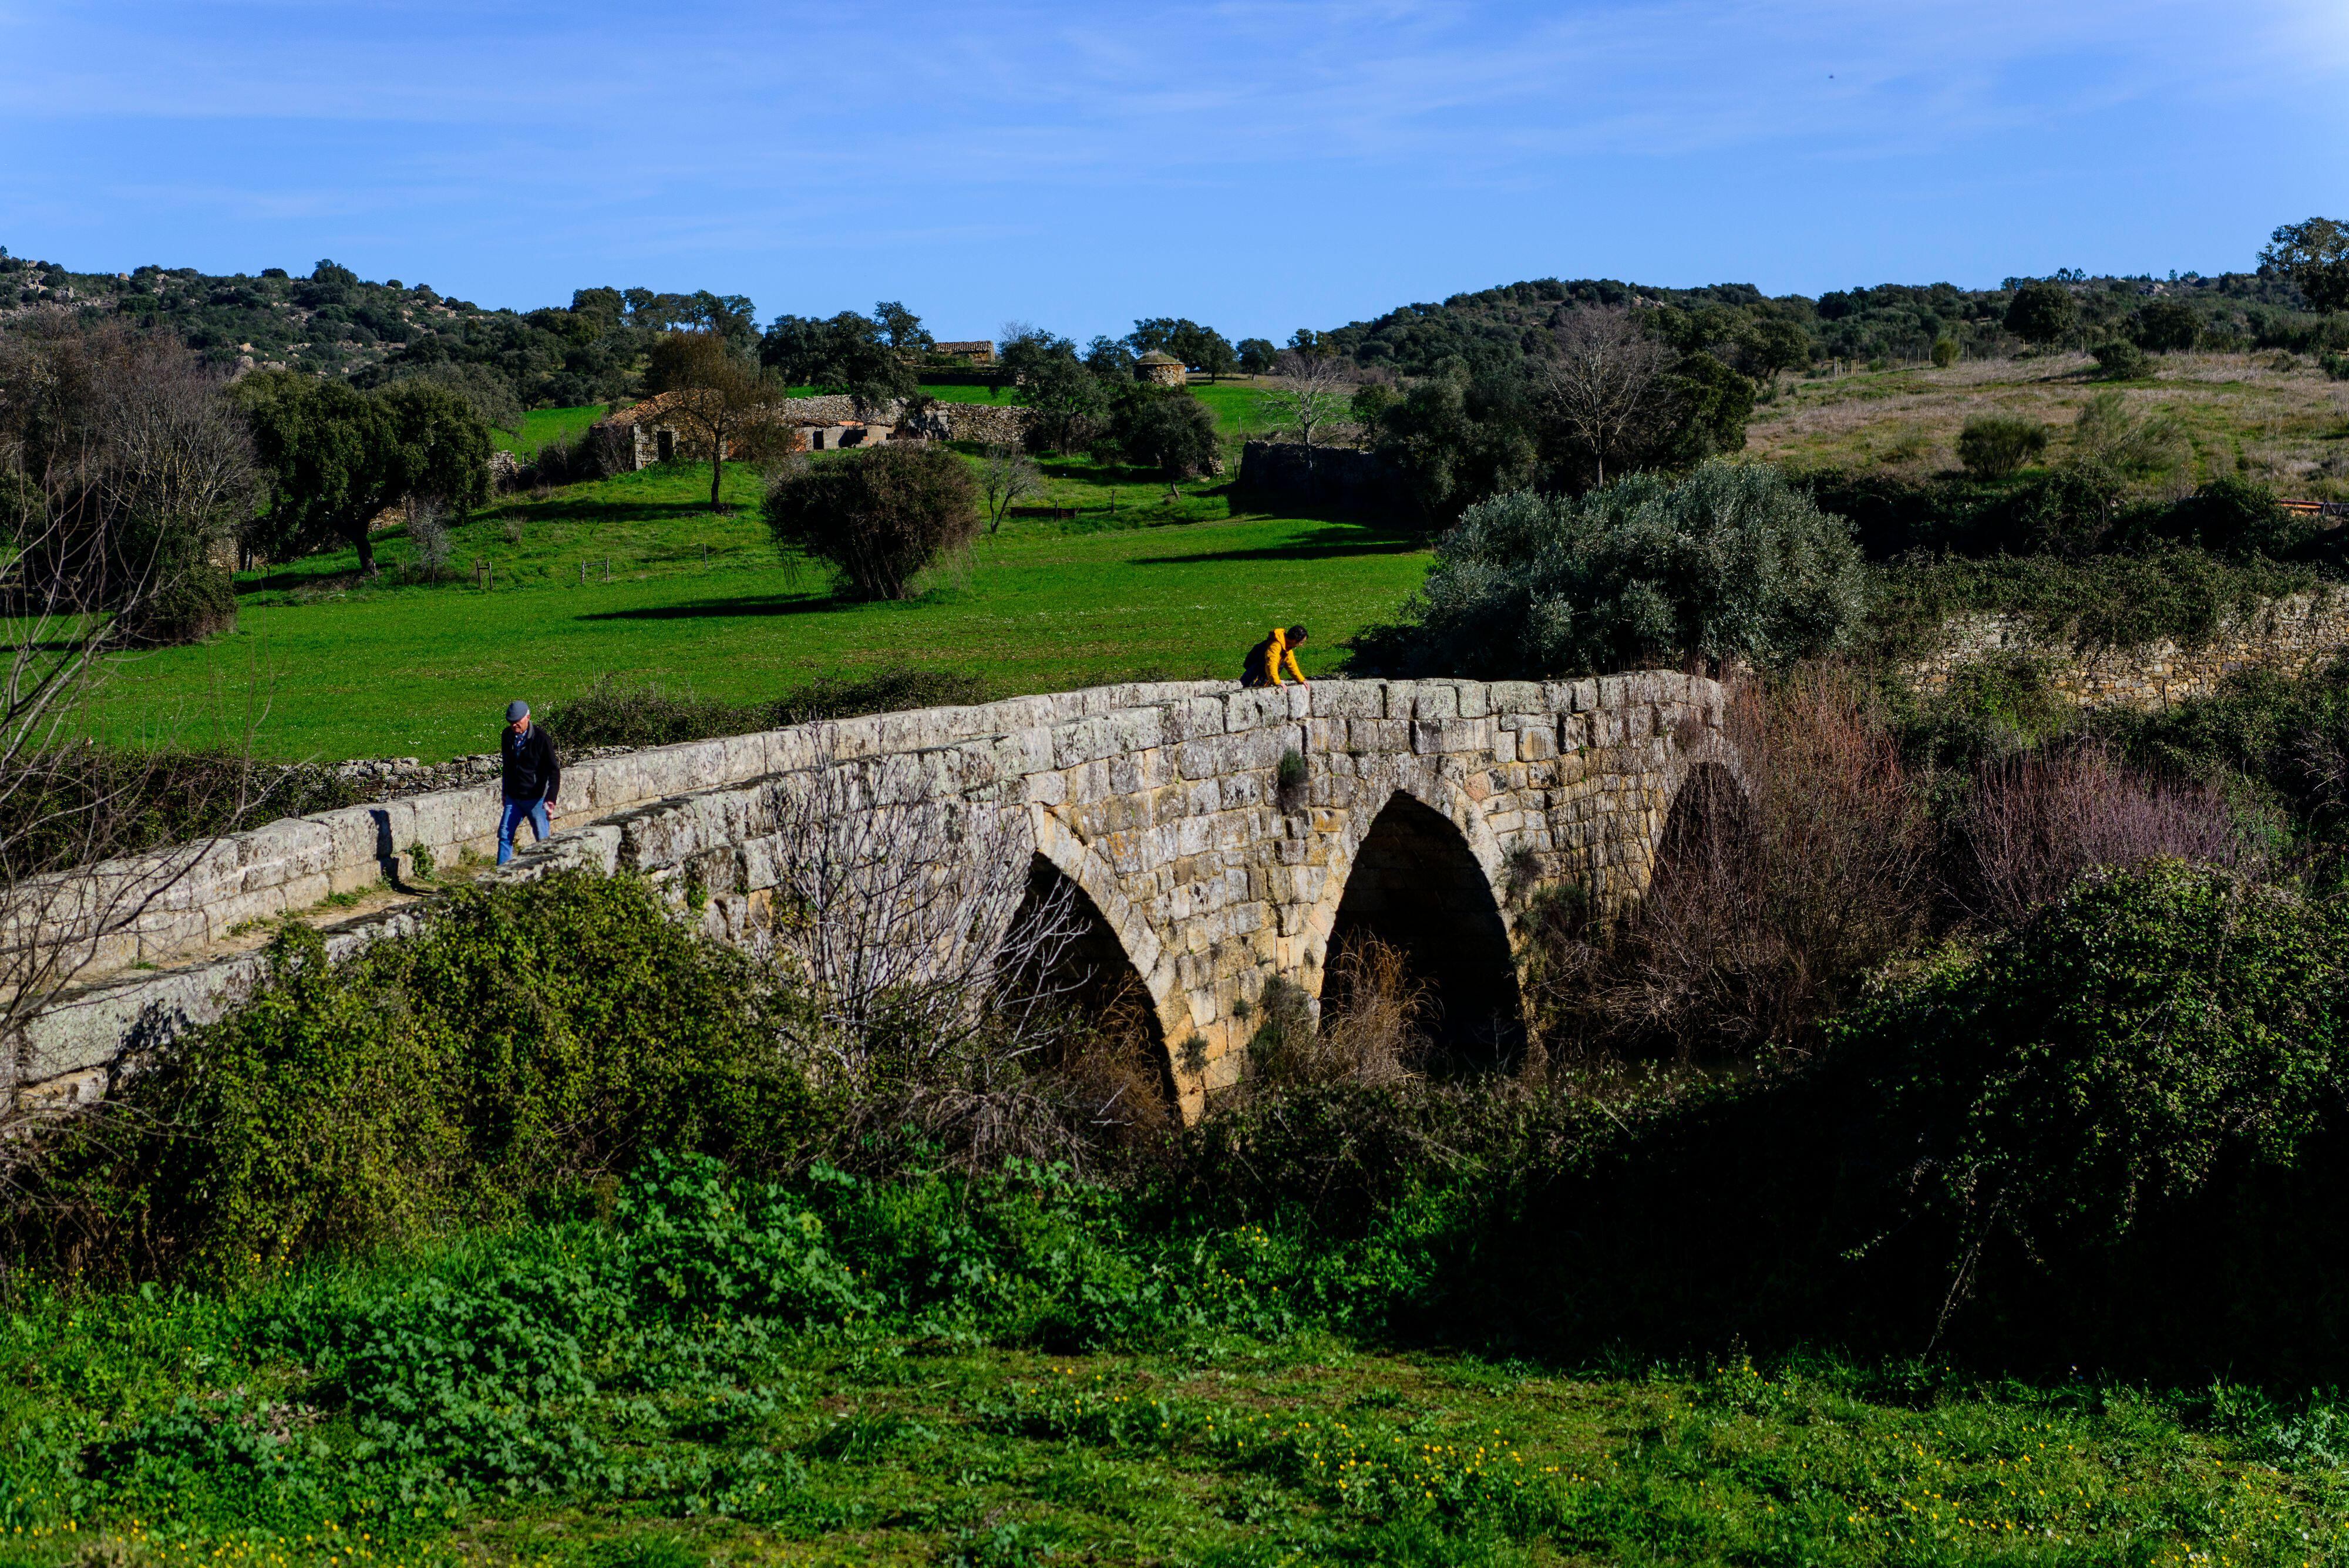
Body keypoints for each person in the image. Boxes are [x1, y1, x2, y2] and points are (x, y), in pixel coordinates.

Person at [497, 699, 561, 866]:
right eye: (511, 722)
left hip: (536, 799)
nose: (514, 726)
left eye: (517, 721)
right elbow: (507, 767)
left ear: (528, 718)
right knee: (505, 835)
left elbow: (554, 771)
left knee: (543, 840)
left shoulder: (541, 739)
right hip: (514, 798)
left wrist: (551, 799)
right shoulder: (507, 736)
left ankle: (548, 874)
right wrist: (505, 792)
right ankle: (500, 877)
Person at [1240, 624, 1311, 689]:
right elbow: (1271, 664)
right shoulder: (1276, 646)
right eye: (1301, 643)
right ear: (1295, 639)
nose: (1301, 645)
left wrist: (1301, 680)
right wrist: (1277, 682)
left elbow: (1292, 666)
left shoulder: (1287, 648)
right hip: (1254, 679)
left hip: (1263, 679)